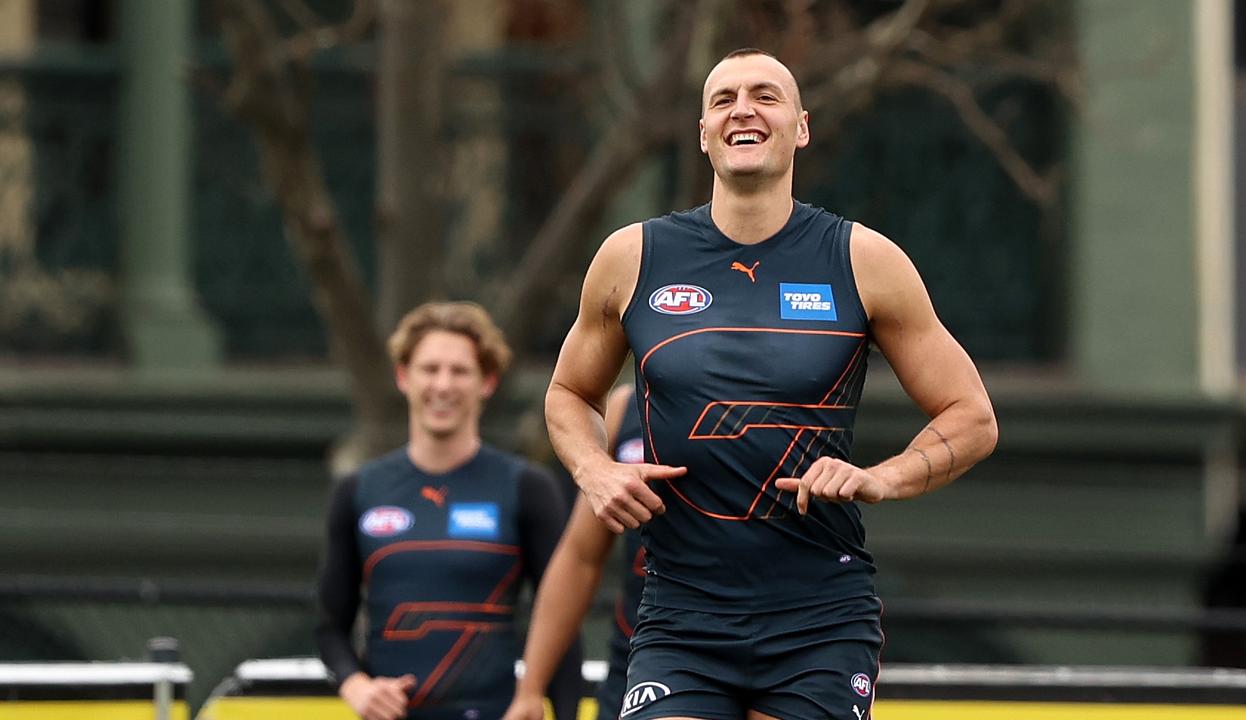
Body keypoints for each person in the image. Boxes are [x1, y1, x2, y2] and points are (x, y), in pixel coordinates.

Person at [537, 48, 999, 720]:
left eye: (765, 95)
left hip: (820, 616)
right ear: (703, 134)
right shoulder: (632, 257)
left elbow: (972, 416)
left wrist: (883, 478)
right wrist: (593, 468)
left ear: (800, 126)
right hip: (681, 614)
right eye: (723, 99)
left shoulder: (864, 260)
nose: (743, 110)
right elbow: (567, 393)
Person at [315, 301, 582, 720]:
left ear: (487, 382)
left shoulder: (526, 488)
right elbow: (330, 627)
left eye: (459, 371)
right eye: (429, 368)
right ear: (403, 376)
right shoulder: (359, 491)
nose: (443, 385)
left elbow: (563, 622)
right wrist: (358, 687)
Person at [503, 384, 646, 720]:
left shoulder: (787, 392)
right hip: (636, 666)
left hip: (766, 661)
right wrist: (531, 688)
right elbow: (581, 556)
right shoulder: (626, 406)